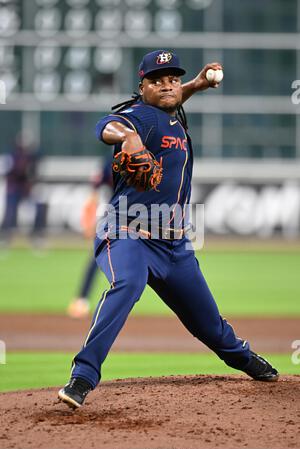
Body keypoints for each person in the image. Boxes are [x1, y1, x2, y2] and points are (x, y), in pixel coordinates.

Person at [58, 50, 278, 409]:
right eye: (156, 80)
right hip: (127, 233)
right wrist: (126, 139)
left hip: (175, 246)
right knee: (127, 285)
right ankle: (82, 377)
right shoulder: (138, 116)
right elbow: (106, 125)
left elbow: (172, 99)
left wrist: (196, 84)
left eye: (172, 79)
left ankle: (243, 358)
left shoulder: (171, 115)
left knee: (208, 324)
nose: (166, 85)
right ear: (141, 86)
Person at [67, 160, 113, 319]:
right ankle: (81, 299)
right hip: (116, 214)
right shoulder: (112, 159)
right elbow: (95, 189)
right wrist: (90, 219)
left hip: (145, 214)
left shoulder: (152, 151)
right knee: (96, 255)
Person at [0, 132, 46, 246]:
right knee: (10, 211)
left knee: (40, 206)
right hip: (14, 190)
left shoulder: (32, 158)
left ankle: (37, 235)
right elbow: (8, 173)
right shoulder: (11, 157)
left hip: (27, 190)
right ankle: (5, 236)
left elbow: (35, 173)